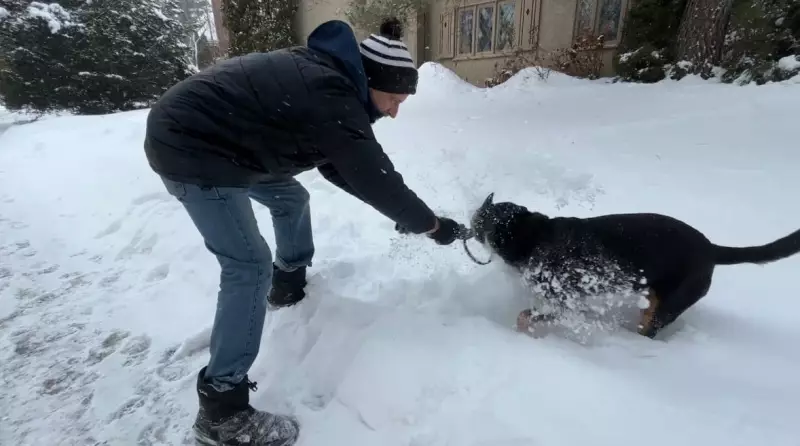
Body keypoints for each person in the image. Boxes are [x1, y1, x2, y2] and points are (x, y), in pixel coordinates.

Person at [143, 16, 469, 446]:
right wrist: (431, 225)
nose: (394, 111)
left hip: (227, 144)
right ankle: (222, 410)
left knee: (290, 199)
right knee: (247, 265)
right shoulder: (330, 93)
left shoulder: (328, 79)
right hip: (192, 148)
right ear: (369, 80)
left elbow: (338, 166)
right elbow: (372, 175)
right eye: (393, 98)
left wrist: (404, 214)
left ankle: (289, 283)